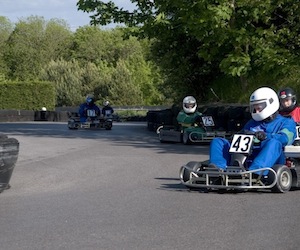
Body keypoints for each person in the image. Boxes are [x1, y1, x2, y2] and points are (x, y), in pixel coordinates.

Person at [209, 87, 296, 175]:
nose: (257, 110)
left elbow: (286, 138)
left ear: (270, 103)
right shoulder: (252, 122)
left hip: (272, 158)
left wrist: (265, 136)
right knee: (218, 141)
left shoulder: (286, 122)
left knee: (274, 143)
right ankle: (218, 169)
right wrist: (237, 136)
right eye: (255, 107)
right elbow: (243, 137)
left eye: (259, 107)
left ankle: (255, 172)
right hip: (248, 155)